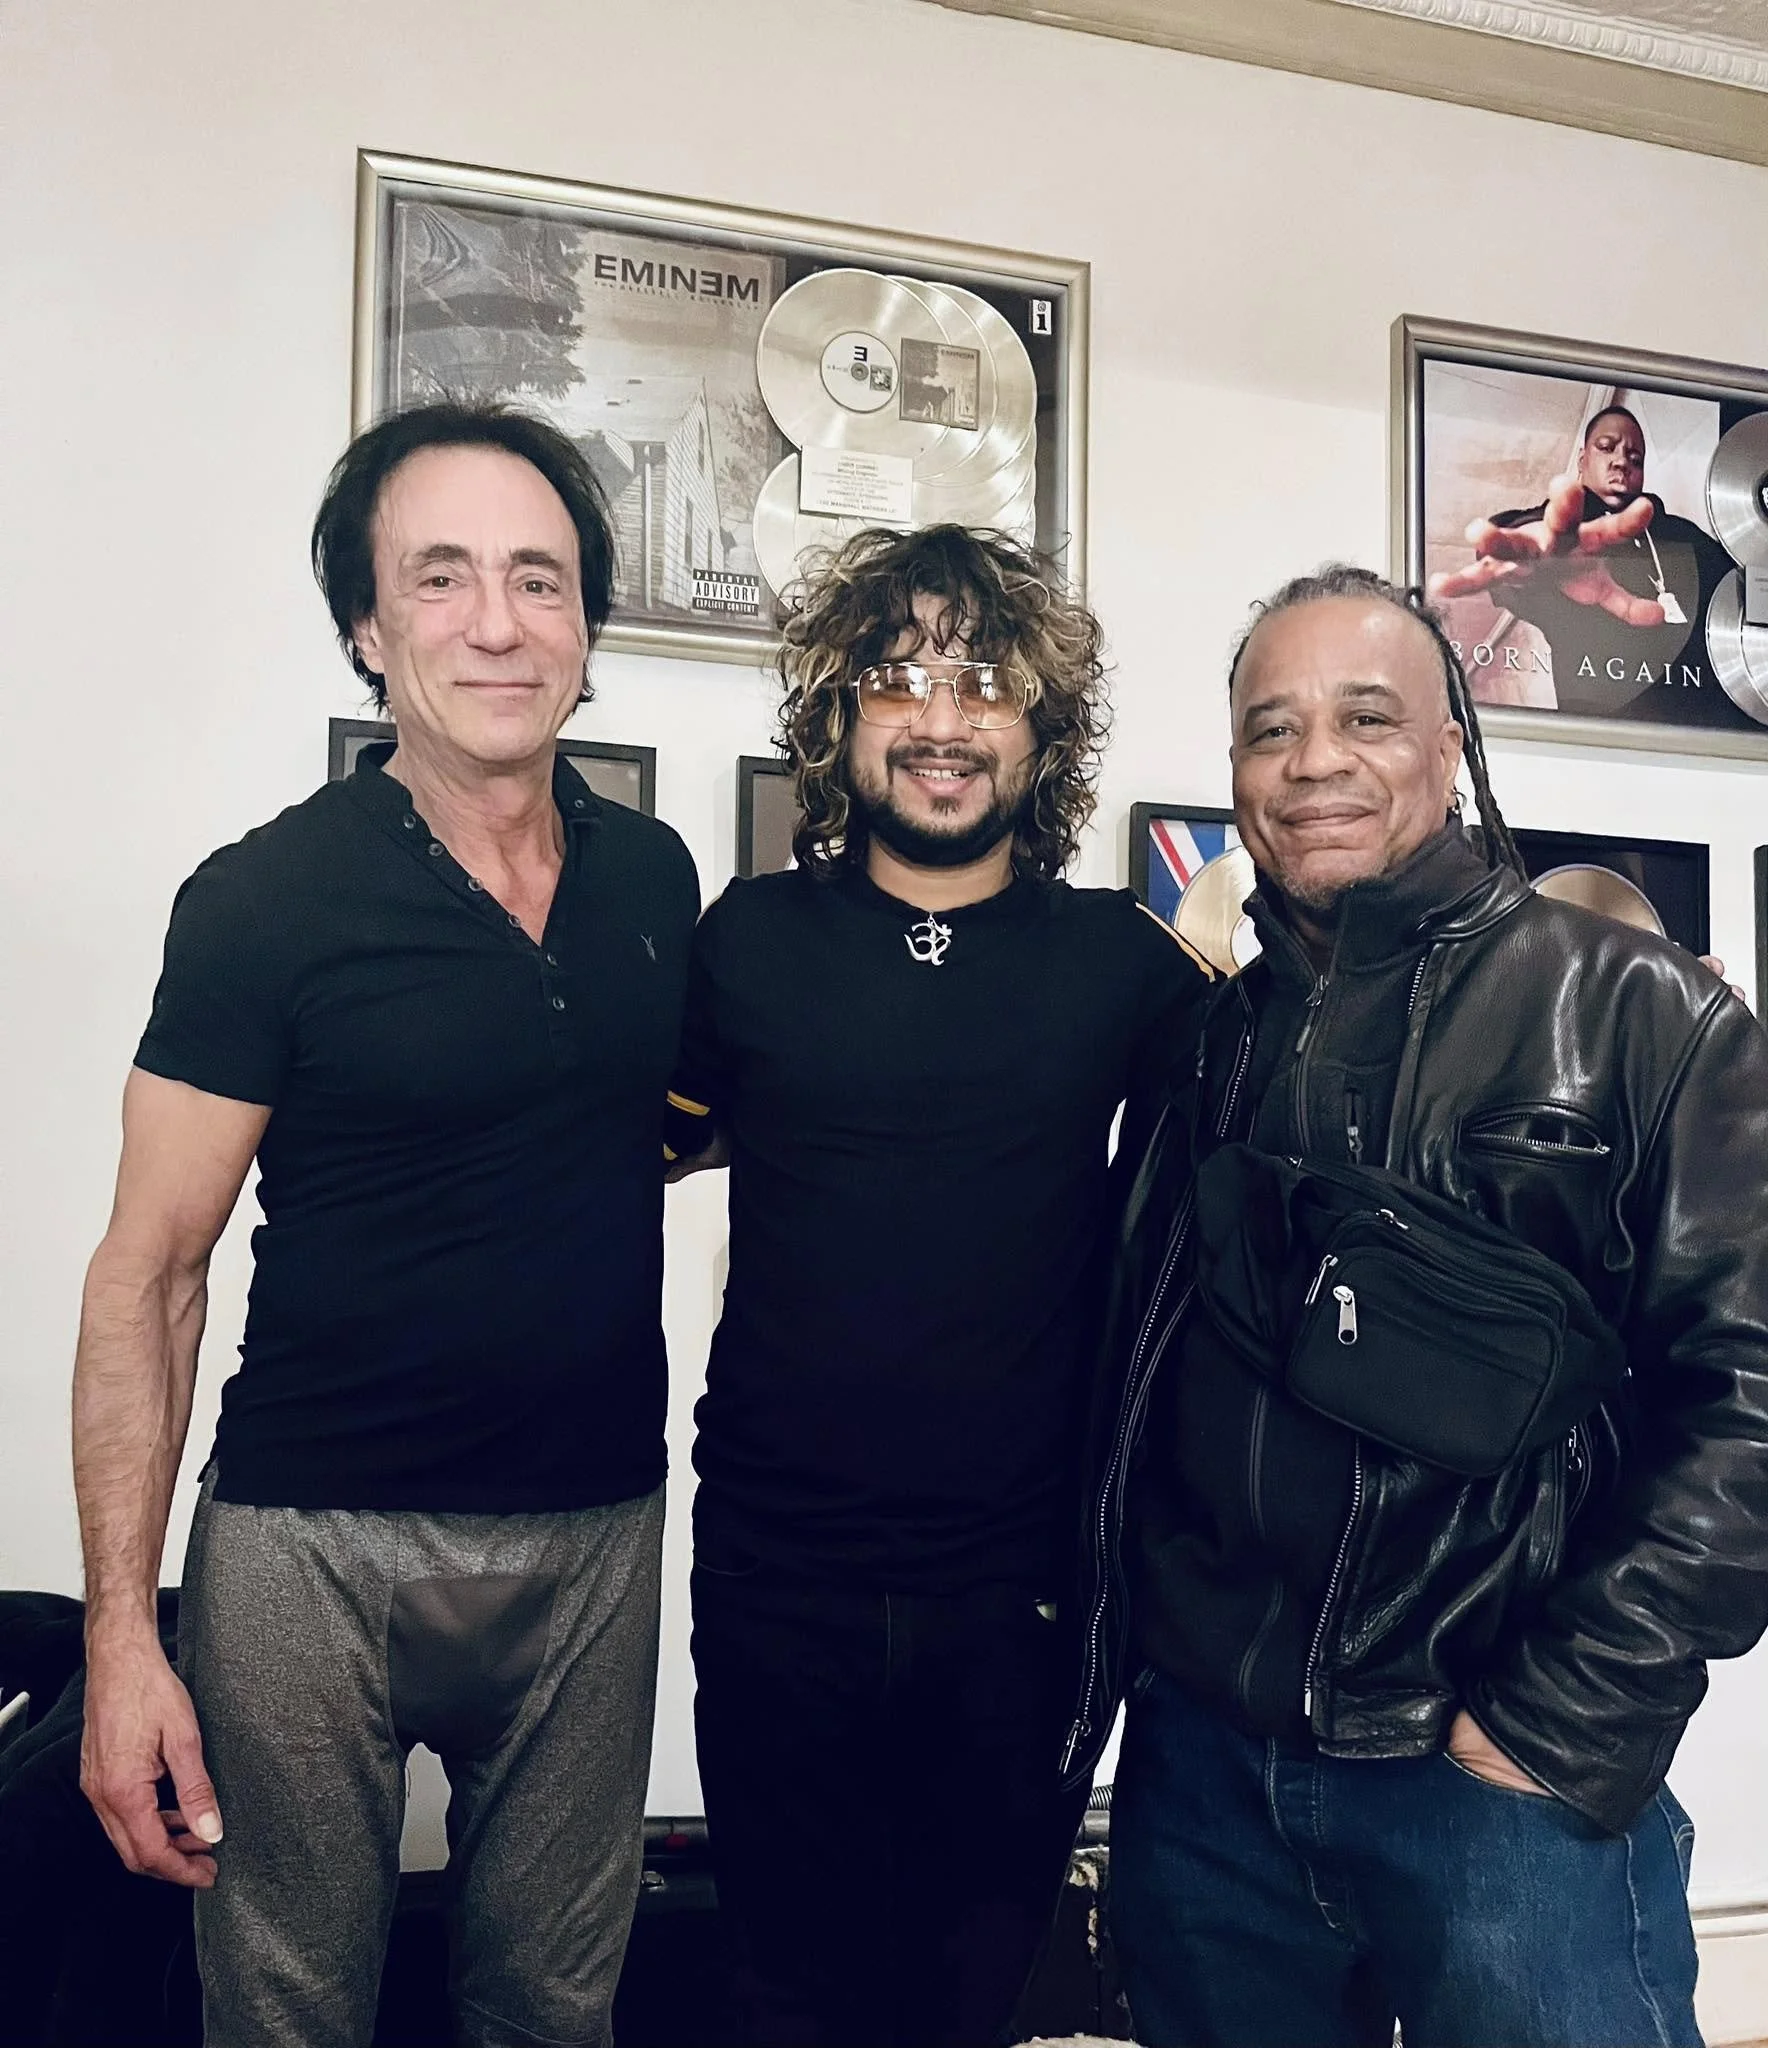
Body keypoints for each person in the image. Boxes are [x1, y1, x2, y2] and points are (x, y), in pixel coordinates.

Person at [1069, 564, 1768, 2048]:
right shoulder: (1207, 1043)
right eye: (1272, 729)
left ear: (1451, 744)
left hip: (1499, 1787)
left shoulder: (1640, 1013)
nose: (1314, 761)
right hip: (1207, 1783)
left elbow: (1750, 1401)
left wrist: (1559, 1719)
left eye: (1366, 718)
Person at [73, 401, 699, 2048]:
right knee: (287, 2016)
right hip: (315, 1549)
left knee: (553, 2014)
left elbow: (617, 1123)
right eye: (441, 577)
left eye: (539, 579)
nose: (498, 622)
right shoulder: (264, 901)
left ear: (586, 625)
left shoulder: (653, 880)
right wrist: (124, 1636)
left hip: (593, 1533)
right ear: (365, 624)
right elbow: (149, 1274)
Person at [665, 525, 1209, 2047]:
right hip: (777, 1577)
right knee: (784, 1993)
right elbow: (621, 1149)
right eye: (897, 681)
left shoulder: (1122, 964)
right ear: (838, 718)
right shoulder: (748, 942)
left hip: (1020, 1593)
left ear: (1046, 726)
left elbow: (1253, 1179)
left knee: (968, 2003)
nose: (942, 720)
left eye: (986, 682)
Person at [1430, 405, 1741, 727]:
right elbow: (1524, 538)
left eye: (1635, 458)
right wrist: (1527, 558)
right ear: (1582, 461)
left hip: (1708, 732)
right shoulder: (1560, 532)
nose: (1621, 461)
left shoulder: (1683, 536)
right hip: (1601, 736)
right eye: (1606, 448)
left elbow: (1742, 585)